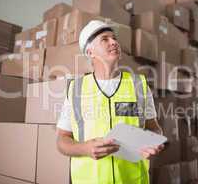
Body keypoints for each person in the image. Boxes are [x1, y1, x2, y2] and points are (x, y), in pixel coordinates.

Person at [56, 20, 164, 184]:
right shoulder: (76, 89)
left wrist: (153, 142)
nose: (114, 42)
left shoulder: (139, 85)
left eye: (114, 38)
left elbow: (153, 127)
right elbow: (62, 140)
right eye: (105, 39)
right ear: (91, 52)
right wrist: (85, 149)